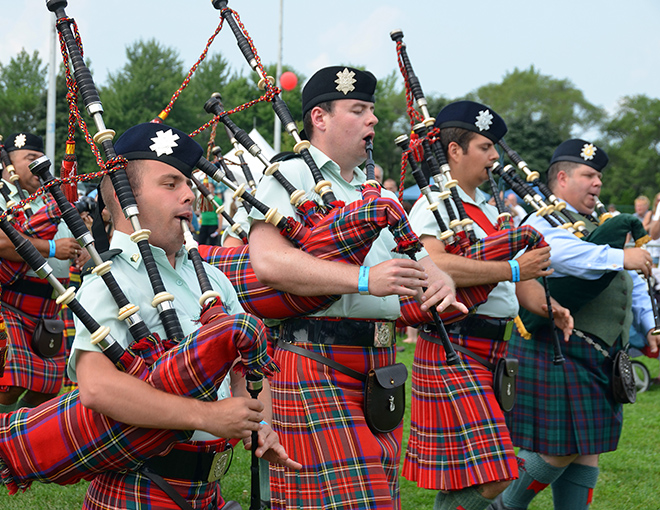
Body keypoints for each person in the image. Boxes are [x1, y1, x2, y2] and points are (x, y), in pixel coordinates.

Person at [247, 66, 465, 510]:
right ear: (320, 118)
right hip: (315, 358)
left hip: (379, 367)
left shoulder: (373, 192)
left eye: (371, 109)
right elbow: (267, 263)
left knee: (379, 495)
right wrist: (364, 279)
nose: (373, 120)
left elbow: (417, 262)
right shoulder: (289, 177)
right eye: (358, 109)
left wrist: (437, 279)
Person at [69, 122, 299, 509]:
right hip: (138, 487)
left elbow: (246, 363)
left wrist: (262, 426)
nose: (190, 194)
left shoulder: (212, 279)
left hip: (207, 490)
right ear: (128, 198)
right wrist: (208, 416)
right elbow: (97, 388)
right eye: (170, 183)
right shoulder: (108, 282)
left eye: (187, 183)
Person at [402, 100, 572, 510]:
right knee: (496, 473)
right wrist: (514, 268)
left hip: (495, 349)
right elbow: (434, 266)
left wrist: (550, 306)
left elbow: (511, 287)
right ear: (455, 151)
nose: (495, 156)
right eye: (485, 146)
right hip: (452, 345)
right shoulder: (433, 205)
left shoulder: (494, 211)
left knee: (466, 474)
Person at [495, 139, 659, 510]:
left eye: (599, 175)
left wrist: (650, 324)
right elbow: (564, 256)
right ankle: (504, 503)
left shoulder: (596, 225)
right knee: (560, 450)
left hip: (600, 354)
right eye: (588, 175)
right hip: (556, 346)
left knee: (588, 450)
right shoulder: (539, 221)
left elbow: (627, 279)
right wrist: (620, 254)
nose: (597, 183)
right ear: (563, 178)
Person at [0, 132, 82, 413]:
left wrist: (78, 251)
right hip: (11, 301)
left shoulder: (48, 199)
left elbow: (69, 241)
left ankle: (15, 442)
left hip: (49, 309)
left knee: (45, 389)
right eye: (30, 158)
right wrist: (50, 247)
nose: (38, 164)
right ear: (8, 164)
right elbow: (1, 242)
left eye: (40, 158)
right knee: (8, 387)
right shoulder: (2, 195)